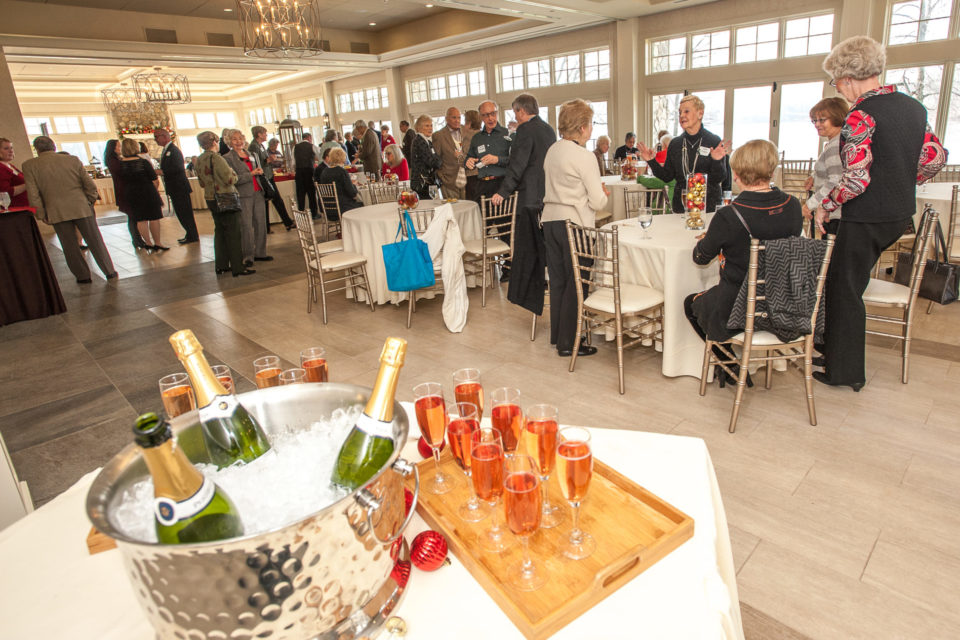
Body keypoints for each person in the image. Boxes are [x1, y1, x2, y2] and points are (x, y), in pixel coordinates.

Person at [814, 35, 946, 391]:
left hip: (866, 215)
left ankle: (844, 372)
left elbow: (856, 178)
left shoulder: (861, 115)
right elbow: (934, 157)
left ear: (846, 78)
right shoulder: (914, 107)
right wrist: (904, 179)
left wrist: (826, 206)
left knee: (844, 288)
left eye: (836, 82)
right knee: (850, 283)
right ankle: (835, 353)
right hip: (900, 214)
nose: (839, 89)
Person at [684, 139, 803, 386]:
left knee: (689, 303)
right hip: (783, 303)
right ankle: (733, 367)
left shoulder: (729, 215)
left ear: (736, 174)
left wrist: (713, 238)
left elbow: (700, 257)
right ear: (772, 170)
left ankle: (731, 366)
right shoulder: (792, 205)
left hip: (739, 307)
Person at [541, 99, 609, 358]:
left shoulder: (553, 150)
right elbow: (597, 201)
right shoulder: (584, 156)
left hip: (550, 220)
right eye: (590, 124)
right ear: (582, 127)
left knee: (558, 281)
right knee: (577, 283)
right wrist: (603, 193)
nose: (591, 129)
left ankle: (559, 335)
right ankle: (569, 343)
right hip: (575, 224)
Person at [22, 136, 117, 283]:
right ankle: (109, 271)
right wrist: (89, 200)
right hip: (81, 206)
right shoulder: (72, 160)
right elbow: (89, 184)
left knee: (69, 245)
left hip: (56, 210)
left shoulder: (30, 165)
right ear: (53, 146)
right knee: (95, 240)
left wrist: (41, 214)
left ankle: (82, 276)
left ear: (37, 149)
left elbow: (33, 193)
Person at [493, 93, 556, 298]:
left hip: (529, 195)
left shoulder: (525, 130)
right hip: (547, 193)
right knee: (544, 238)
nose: (516, 116)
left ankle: (530, 285)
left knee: (528, 241)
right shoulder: (548, 129)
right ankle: (546, 279)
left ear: (521, 110)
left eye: (515, 112)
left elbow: (517, 164)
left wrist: (503, 192)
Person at [638, 94, 728, 213]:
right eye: (680, 112)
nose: (682, 116)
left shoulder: (713, 141)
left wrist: (716, 161)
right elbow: (667, 176)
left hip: (707, 206)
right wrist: (651, 161)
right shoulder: (675, 144)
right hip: (682, 206)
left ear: (700, 114)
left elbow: (719, 178)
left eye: (686, 111)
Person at [195, 131, 252, 277]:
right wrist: (233, 172)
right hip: (225, 197)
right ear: (214, 142)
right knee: (233, 233)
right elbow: (231, 179)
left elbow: (201, 182)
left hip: (210, 198)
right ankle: (238, 267)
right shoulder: (217, 158)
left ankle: (221, 264)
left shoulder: (200, 159)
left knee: (219, 231)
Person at [224, 129, 271, 266]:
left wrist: (259, 172)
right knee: (246, 226)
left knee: (261, 223)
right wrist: (250, 174)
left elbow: (259, 170)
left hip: (258, 192)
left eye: (240, 138)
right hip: (243, 195)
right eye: (234, 139)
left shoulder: (252, 154)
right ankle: (248, 256)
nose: (238, 141)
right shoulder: (227, 158)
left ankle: (261, 253)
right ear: (229, 142)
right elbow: (232, 179)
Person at [802, 97, 849, 236]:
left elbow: (835, 181)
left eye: (822, 120)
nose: (817, 124)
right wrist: (814, 176)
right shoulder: (838, 141)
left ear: (837, 117)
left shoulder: (835, 145)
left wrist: (809, 205)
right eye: (814, 120)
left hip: (835, 214)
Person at [117, 137, 167, 252]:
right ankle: (157, 242)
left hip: (131, 193)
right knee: (154, 217)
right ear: (136, 147)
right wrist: (154, 190)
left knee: (140, 219)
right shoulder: (143, 162)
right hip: (147, 191)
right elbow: (154, 179)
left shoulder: (120, 165)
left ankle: (148, 243)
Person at [154, 128, 199, 245]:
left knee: (185, 212)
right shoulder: (166, 150)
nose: (155, 140)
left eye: (156, 137)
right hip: (175, 187)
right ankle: (189, 234)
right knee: (180, 212)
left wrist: (162, 171)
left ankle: (192, 235)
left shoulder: (173, 150)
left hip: (179, 187)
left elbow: (178, 168)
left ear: (164, 136)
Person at [465, 100, 513, 203]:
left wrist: (497, 160)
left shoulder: (508, 134)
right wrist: (468, 161)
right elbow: (468, 158)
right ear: (481, 117)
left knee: (502, 219)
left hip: (502, 185)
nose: (490, 118)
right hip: (481, 186)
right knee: (481, 218)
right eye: (486, 115)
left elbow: (516, 161)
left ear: (497, 113)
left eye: (493, 113)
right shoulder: (476, 138)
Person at [250, 126, 295, 232]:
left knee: (275, 200)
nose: (266, 135)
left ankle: (284, 223)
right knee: (272, 200)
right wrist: (269, 160)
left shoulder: (260, 145)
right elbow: (256, 163)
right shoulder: (254, 146)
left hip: (268, 175)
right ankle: (276, 225)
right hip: (264, 178)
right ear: (259, 134)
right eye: (265, 133)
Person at [104, 139, 146, 249]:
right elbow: (122, 173)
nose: (120, 148)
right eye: (118, 146)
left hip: (126, 189)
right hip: (124, 190)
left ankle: (138, 239)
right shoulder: (113, 160)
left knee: (134, 216)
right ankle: (137, 240)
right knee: (132, 217)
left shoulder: (117, 159)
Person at [432, 107, 468, 200]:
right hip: (449, 182)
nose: (457, 120)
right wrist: (442, 177)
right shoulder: (438, 136)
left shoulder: (467, 131)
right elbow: (436, 159)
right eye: (454, 117)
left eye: (459, 118)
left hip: (468, 179)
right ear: (446, 119)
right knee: (453, 210)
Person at [318, 148, 363, 217]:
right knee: (364, 204)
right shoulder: (341, 171)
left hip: (327, 208)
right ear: (343, 158)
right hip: (342, 208)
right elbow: (352, 193)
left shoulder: (324, 172)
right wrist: (353, 184)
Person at [409, 114, 443, 199]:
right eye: (427, 126)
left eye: (431, 125)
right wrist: (440, 160)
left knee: (434, 204)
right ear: (419, 128)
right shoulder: (419, 141)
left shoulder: (427, 142)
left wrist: (437, 159)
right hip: (422, 184)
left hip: (429, 183)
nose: (430, 128)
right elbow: (432, 162)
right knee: (430, 207)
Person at [294, 132, 321, 220]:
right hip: (309, 171)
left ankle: (301, 213)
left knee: (300, 194)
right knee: (311, 194)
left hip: (299, 172)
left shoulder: (295, 147)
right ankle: (314, 213)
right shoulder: (312, 146)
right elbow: (319, 156)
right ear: (309, 137)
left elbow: (293, 162)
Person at [0, 137, 30, 208]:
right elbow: (5, 192)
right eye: (6, 148)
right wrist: (28, 184)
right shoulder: (1, 167)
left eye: (11, 148)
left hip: (24, 207)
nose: (11, 151)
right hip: (15, 209)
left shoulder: (10, 165)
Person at [463, 110, 482, 200]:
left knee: (473, 203)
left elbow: (466, 158)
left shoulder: (468, 137)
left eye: (465, 121)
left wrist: (458, 155)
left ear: (469, 123)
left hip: (472, 176)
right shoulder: (483, 134)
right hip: (483, 175)